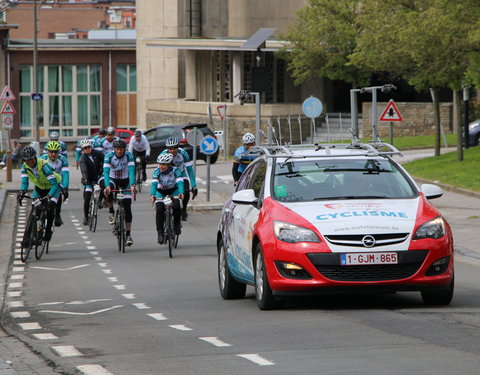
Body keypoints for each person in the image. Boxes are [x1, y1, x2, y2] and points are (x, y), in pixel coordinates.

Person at [17, 146, 62, 243]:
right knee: (34, 210)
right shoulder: (24, 166)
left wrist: (48, 196)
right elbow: (25, 182)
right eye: (27, 160)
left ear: (35, 157)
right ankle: (27, 238)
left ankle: (48, 230)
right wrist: (22, 192)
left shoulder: (44, 166)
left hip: (53, 187)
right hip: (39, 188)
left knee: (50, 206)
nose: (29, 162)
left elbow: (54, 184)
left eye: (31, 159)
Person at [103, 139, 136, 246]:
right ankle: (112, 212)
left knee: (127, 207)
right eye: (117, 149)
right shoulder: (109, 156)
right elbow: (106, 172)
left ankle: (128, 234)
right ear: (114, 149)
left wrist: (132, 185)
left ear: (124, 149)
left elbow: (131, 170)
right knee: (108, 191)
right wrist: (107, 186)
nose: (119, 151)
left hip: (126, 180)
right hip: (113, 179)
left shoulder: (129, 155)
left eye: (121, 149)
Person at [150, 153, 184, 244]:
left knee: (176, 206)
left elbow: (180, 182)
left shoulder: (175, 171)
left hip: (173, 190)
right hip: (160, 191)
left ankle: (177, 224)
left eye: (164, 164)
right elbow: (154, 184)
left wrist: (181, 192)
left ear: (169, 164)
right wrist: (152, 195)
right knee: (160, 209)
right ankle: (160, 233)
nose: (161, 166)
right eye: (160, 164)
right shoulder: (157, 171)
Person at [161, 136, 197, 221]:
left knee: (186, 191)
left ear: (178, 147)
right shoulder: (163, 154)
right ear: (167, 148)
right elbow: (159, 171)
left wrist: (194, 185)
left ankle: (184, 209)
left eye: (175, 148)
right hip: (168, 175)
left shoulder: (183, 153)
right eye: (170, 149)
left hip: (181, 173)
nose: (172, 150)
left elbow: (190, 170)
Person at [40, 141, 70, 227]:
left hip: (56, 182)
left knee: (58, 194)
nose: (53, 154)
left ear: (59, 152)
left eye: (56, 152)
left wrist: (65, 188)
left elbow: (65, 174)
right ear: (47, 151)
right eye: (51, 152)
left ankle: (57, 215)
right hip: (44, 182)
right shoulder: (42, 159)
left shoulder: (63, 159)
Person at [79, 139, 105, 225]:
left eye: (88, 147)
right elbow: (84, 170)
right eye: (85, 148)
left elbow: (105, 161)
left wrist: (104, 170)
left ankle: (100, 200)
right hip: (89, 179)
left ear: (91, 147)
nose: (87, 149)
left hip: (98, 176)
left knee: (104, 184)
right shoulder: (82, 158)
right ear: (82, 149)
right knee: (87, 196)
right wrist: (86, 180)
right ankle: (86, 216)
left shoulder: (98, 153)